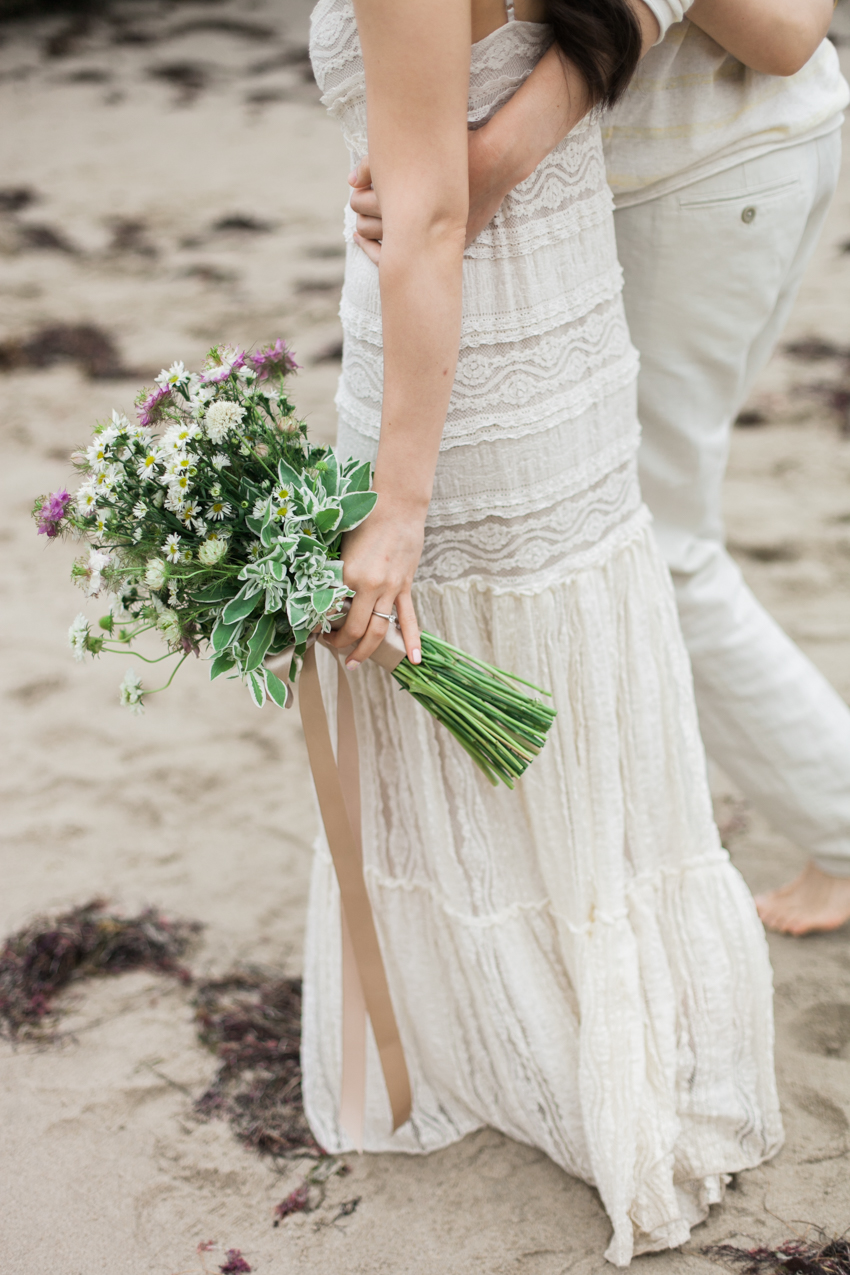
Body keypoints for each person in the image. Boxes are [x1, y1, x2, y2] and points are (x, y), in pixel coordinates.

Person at [306, 0, 782, 1264]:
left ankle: (508, 1044)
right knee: (572, 677)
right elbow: (778, 29)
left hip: (457, 359)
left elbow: (429, 220)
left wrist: (395, 506)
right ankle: (580, 1016)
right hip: (563, 325)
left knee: (440, 655)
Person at [350, 0, 850, 937]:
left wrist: (498, 152)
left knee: (660, 544)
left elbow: (786, 30)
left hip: (700, 169)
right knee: (660, 535)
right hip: (754, 153)